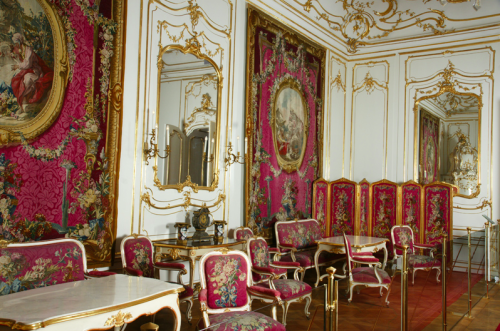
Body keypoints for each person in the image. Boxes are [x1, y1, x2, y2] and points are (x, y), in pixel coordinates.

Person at [10, 33, 53, 116]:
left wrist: (18, 66)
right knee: (18, 80)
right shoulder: (20, 51)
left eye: (16, 42)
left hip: (35, 71)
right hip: (28, 70)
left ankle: (24, 102)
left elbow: (28, 64)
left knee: (27, 79)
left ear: (20, 42)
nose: (15, 45)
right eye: (14, 43)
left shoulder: (28, 49)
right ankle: (23, 103)